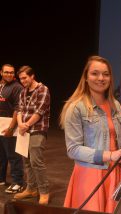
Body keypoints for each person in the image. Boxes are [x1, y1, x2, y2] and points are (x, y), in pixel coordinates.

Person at [59, 56, 121, 213]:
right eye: (95, 73)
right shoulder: (76, 107)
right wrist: (109, 155)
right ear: (86, 77)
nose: (101, 78)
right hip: (89, 176)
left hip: (116, 175)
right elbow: (73, 149)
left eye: (106, 74)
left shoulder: (116, 106)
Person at [14, 65, 51, 205]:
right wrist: (20, 125)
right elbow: (19, 110)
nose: (22, 81)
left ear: (32, 76)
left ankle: (44, 191)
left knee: (36, 162)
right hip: (24, 130)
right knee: (27, 162)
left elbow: (39, 112)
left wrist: (26, 125)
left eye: (25, 78)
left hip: (37, 129)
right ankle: (31, 189)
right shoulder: (23, 92)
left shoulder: (43, 89)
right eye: (21, 79)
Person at [0, 64, 24, 193]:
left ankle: (18, 182)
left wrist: (11, 127)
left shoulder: (17, 87)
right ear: (1, 72)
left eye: (11, 72)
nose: (9, 74)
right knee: (1, 155)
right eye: (6, 72)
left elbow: (17, 108)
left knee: (13, 155)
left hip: (10, 125)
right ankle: (1, 178)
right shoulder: (2, 85)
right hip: (0, 123)